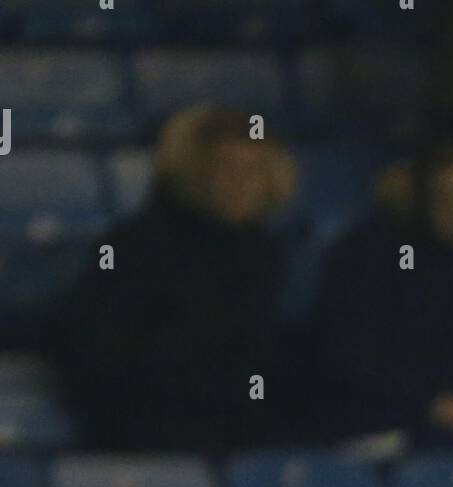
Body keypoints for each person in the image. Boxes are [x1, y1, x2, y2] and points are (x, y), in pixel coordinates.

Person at [49, 105, 294, 451]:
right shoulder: (134, 248)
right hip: (149, 439)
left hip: (241, 443)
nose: (241, 184)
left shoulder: (266, 256)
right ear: (193, 173)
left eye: (253, 170)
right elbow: (96, 359)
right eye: (225, 169)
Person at [307, 139, 453, 446]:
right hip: (376, 428)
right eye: (448, 195)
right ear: (423, 199)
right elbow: (349, 360)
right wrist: (432, 403)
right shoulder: (370, 258)